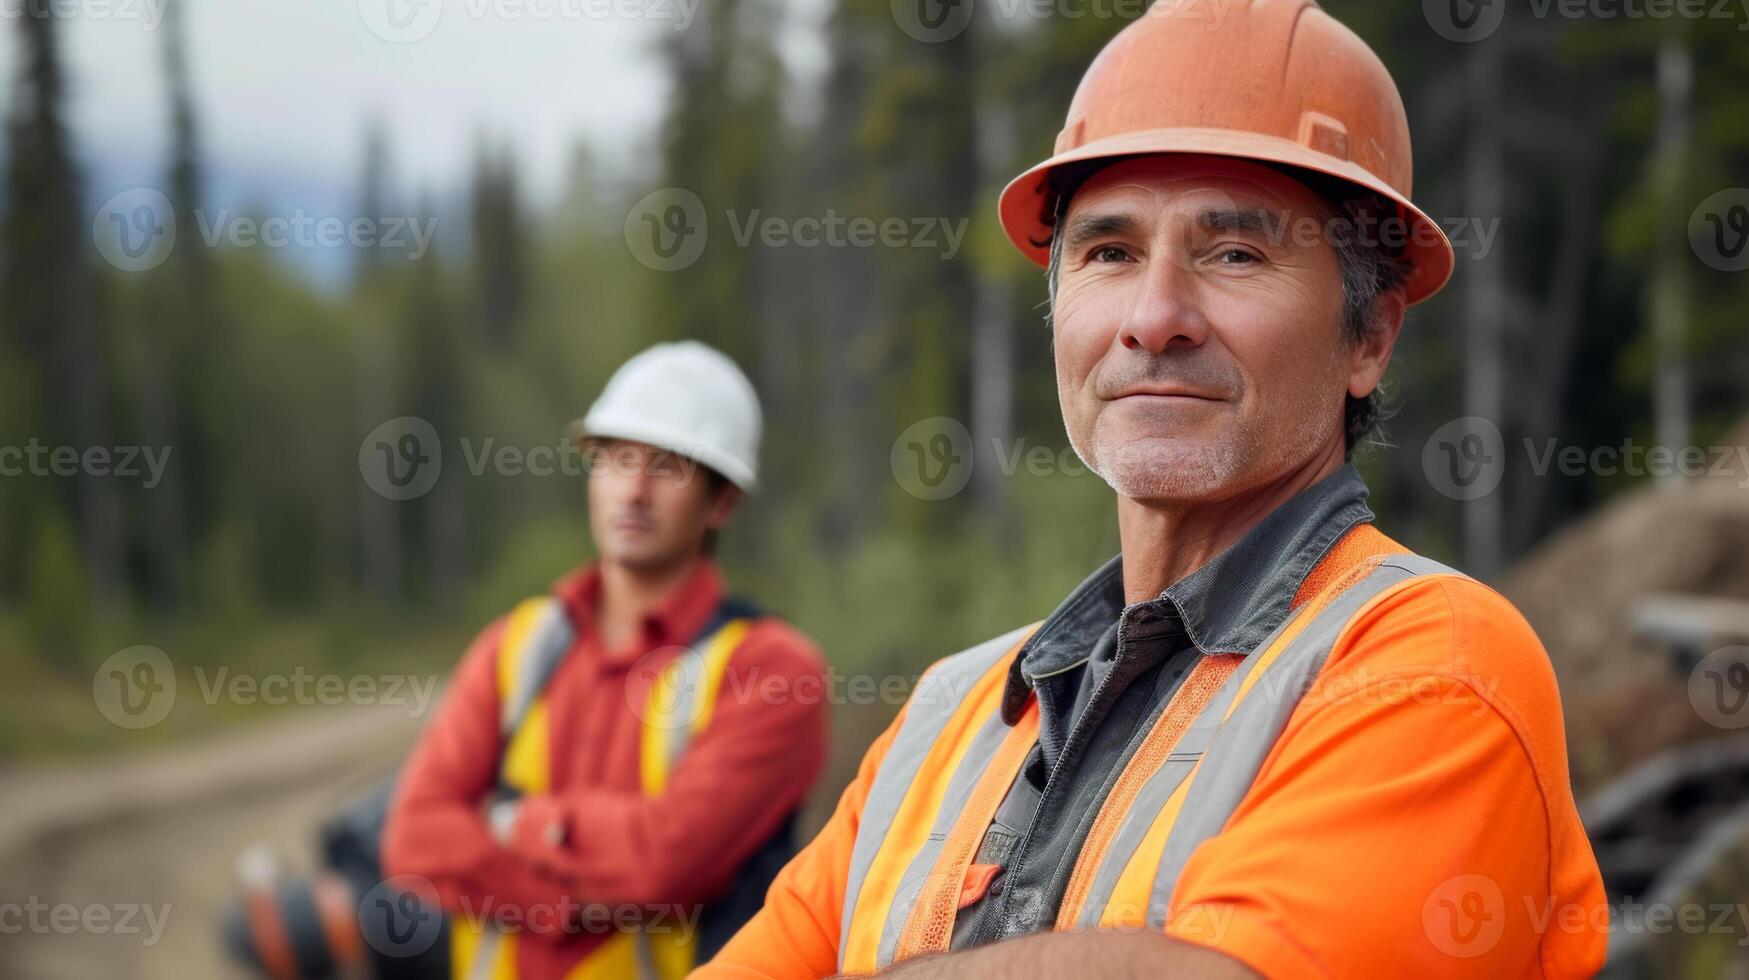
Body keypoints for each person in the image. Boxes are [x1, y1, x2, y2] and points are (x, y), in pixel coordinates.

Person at [695, 2, 1608, 976]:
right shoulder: (949, 713)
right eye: (1110, 251)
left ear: (1370, 337)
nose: (1155, 316)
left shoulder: (1434, 666)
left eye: (1234, 253)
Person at [384, 341, 830, 980]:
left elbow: (661, 864)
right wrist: (568, 901)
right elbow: (415, 837)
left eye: (668, 466)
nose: (634, 491)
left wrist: (509, 819)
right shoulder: (517, 644)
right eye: (617, 459)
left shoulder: (775, 672)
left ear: (722, 503)